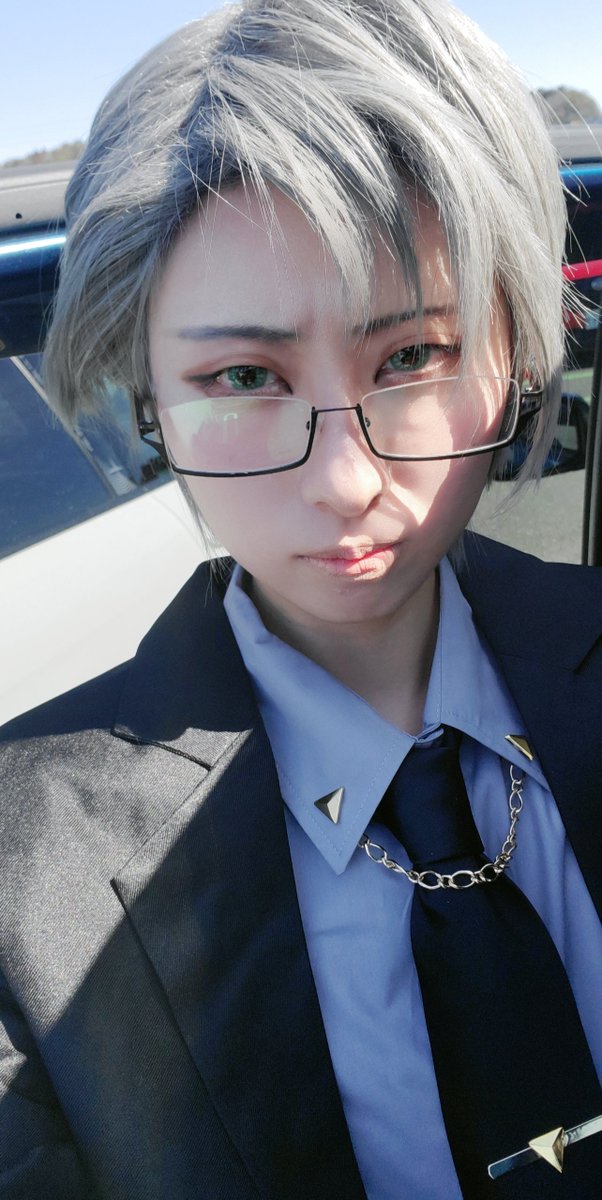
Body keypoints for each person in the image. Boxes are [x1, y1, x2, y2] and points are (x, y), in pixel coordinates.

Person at [1, 0, 601, 1197]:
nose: (345, 481)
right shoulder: (23, 874)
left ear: (516, 353)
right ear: (147, 401)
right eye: (242, 375)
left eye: (410, 357)